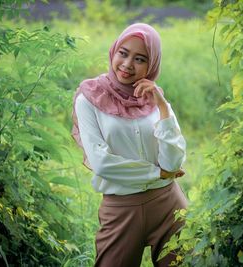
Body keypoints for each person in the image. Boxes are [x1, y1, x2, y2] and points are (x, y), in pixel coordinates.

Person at [71, 23, 187, 267]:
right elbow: (101, 163)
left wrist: (163, 106)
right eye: (123, 53)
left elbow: (173, 162)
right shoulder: (89, 98)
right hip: (122, 208)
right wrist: (157, 173)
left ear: (152, 64)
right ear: (114, 51)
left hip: (169, 204)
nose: (127, 64)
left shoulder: (155, 98)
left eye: (140, 58)